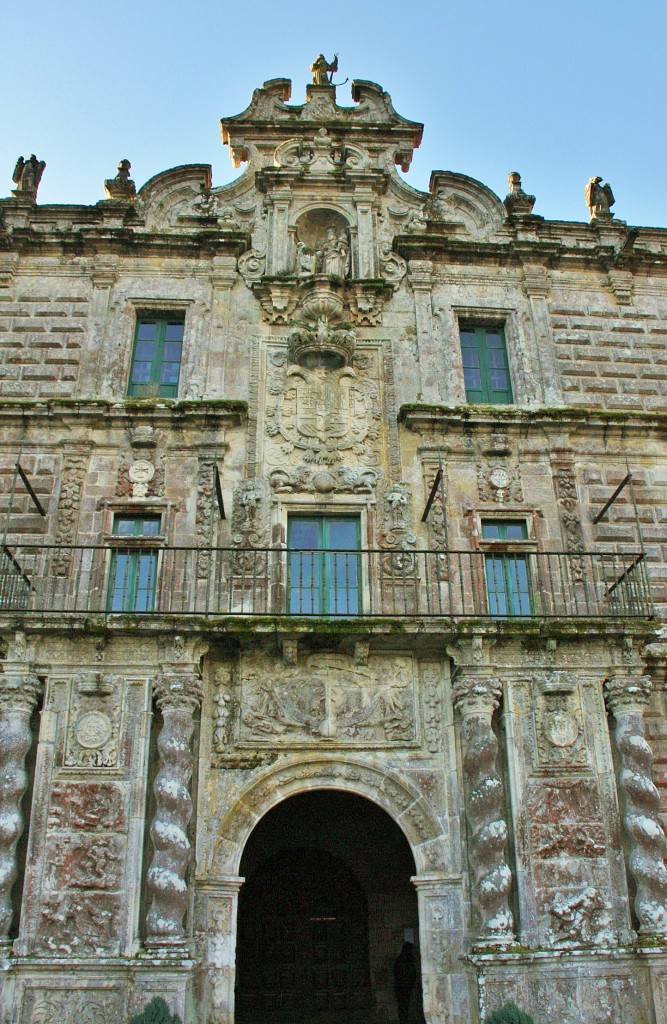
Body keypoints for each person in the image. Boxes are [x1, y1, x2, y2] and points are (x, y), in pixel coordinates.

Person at [393, 941, 417, 1024]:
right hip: (403, 987)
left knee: (403, 1007)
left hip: (403, 987)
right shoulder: (405, 959)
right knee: (403, 1007)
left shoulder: (402, 959)